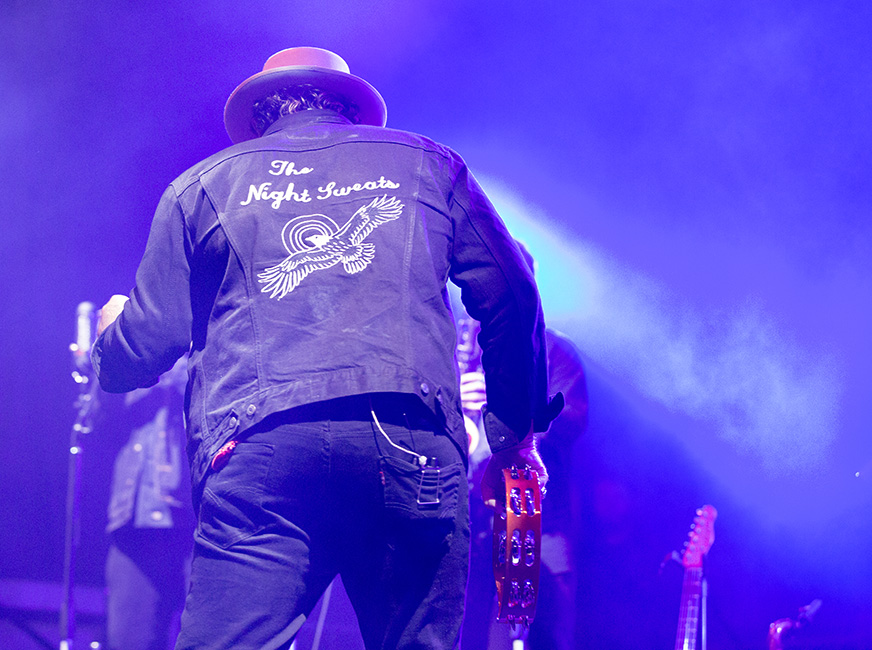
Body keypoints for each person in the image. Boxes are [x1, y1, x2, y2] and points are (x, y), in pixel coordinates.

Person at [91, 46, 562, 650]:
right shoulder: (426, 165)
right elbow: (515, 294)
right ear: (351, 110)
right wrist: (513, 438)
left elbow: (146, 344)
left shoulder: (202, 186)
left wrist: (110, 337)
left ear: (260, 115)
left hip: (261, 445)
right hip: (409, 436)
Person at [459, 325, 588, 650]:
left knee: (546, 632)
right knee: (466, 630)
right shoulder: (458, 345)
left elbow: (572, 419)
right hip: (468, 518)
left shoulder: (555, 349)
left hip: (538, 518)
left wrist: (508, 405)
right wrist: (453, 400)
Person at [101, 356, 194, 650]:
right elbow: (93, 415)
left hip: (202, 522)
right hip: (134, 520)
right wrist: (107, 354)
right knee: (130, 639)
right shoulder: (134, 338)